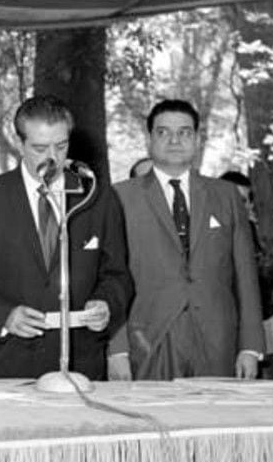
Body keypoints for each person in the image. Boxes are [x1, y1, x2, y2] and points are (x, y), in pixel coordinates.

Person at [0, 95, 132, 381]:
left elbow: (117, 274)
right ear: (19, 144)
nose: (52, 158)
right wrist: (3, 315)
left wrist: (106, 304)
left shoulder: (97, 197)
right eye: (39, 148)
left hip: (80, 363)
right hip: (3, 359)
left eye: (61, 146)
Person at [110, 99, 263, 380]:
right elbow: (109, 279)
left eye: (184, 132)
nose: (174, 140)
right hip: (148, 339)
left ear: (196, 139)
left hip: (218, 341)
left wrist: (251, 347)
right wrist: (116, 349)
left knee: (217, 422)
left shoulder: (227, 196)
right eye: (163, 132)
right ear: (149, 139)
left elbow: (245, 276)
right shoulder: (119, 197)